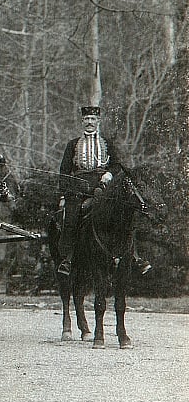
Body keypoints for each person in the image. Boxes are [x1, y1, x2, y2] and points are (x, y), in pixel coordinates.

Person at [57, 105, 149, 276]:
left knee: (124, 212)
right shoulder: (73, 144)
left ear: (98, 121)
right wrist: (64, 194)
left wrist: (109, 174)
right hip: (80, 188)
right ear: (82, 122)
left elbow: (117, 165)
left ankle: (135, 257)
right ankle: (67, 259)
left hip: (104, 187)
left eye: (93, 119)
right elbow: (64, 171)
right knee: (71, 215)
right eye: (86, 119)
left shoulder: (107, 143)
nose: (89, 122)